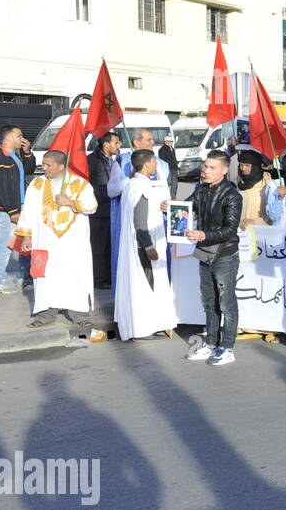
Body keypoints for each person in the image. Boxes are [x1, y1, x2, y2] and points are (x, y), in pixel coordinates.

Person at [14, 149, 97, 328]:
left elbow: (92, 206)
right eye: (43, 163)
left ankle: (79, 313)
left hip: (73, 244)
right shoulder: (37, 184)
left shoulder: (80, 183)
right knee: (44, 276)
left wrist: (70, 202)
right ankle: (45, 314)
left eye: (48, 165)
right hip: (44, 241)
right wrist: (26, 236)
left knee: (75, 274)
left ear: (61, 166)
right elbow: (28, 211)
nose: (44, 167)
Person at [186, 151, 242, 366]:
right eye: (205, 166)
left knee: (226, 303)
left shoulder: (232, 195)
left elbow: (230, 229)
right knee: (209, 302)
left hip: (225, 254)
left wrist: (204, 235)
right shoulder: (200, 189)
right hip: (204, 253)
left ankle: (227, 347)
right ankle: (210, 343)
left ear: (224, 170)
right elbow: (185, 207)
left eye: (211, 167)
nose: (205, 171)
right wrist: (169, 209)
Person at [115, 149, 176, 341]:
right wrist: (149, 247)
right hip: (143, 246)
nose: (157, 166)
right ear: (148, 163)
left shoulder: (132, 185)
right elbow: (140, 222)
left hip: (140, 244)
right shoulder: (141, 187)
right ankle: (143, 328)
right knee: (146, 285)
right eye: (155, 162)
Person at [87, 132, 122, 288]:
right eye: (116, 143)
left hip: (113, 210)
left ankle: (109, 277)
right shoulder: (92, 160)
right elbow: (87, 185)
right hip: (98, 210)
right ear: (106, 144)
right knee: (98, 247)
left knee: (110, 245)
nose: (119, 146)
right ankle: (98, 279)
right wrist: (106, 191)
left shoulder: (117, 159)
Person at [0, 125, 28, 294]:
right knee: (4, 246)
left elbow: (28, 171)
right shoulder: (1, 157)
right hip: (6, 210)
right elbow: (1, 187)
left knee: (20, 242)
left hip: (18, 205)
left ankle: (25, 276)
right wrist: (12, 211)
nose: (21, 138)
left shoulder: (14, 156)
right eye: (19, 135)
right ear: (8, 138)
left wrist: (27, 152)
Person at [235, 148, 271, 227]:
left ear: (255, 166)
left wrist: (255, 222)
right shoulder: (239, 183)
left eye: (247, 165)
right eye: (241, 165)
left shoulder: (267, 185)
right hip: (241, 232)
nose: (243, 169)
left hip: (261, 233)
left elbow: (272, 215)